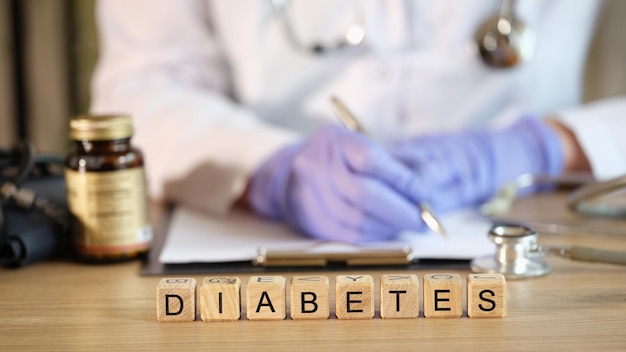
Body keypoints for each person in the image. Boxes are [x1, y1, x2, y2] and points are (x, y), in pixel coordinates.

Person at [91, 0, 626, 244]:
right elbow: (142, 82)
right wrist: (271, 170)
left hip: (537, 218)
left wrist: (539, 146)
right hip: (254, 225)